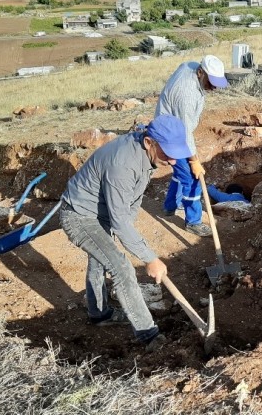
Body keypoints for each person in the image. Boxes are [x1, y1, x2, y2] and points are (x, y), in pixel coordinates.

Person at [59, 114, 192, 352]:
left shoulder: (146, 152)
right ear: (149, 142)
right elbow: (120, 220)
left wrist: (126, 234)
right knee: (121, 268)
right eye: (167, 153)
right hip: (79, 215)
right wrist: (149, 258)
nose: (172, 161)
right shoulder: (123, 163)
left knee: (102, 259)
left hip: (102, 213)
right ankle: (149, 336)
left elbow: (132, 199)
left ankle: (99, 315)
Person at [155, 55, 229, 237]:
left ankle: (170, 206)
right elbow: (185, 133)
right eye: (211, 82)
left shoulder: (192, 67)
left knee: (181, 173)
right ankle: (193, 222)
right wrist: (194, 161)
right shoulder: (187, 94)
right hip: (172, 134)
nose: (214, 87)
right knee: (192, 177)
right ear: (200, 72)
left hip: (171, 125)